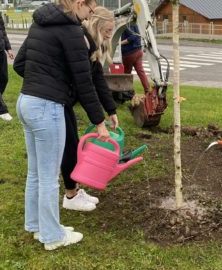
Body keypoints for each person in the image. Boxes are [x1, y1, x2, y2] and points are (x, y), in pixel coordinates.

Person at [13, 0, 110, 250]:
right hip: (46, 107)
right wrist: (99, 121)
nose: (87, 16)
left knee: (35, 173)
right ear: (79, 4)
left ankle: (36, 225)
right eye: (89, 10)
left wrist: (43, 79)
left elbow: (19, 63)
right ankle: (53, 236)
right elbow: (84, 83)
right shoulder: (71, 32)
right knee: (48, 178)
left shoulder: (39, 23)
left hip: (26, 101)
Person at [61, 6, 118, 211]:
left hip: (63, 100)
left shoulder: (93, 46)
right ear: (97, 25)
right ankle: (70, 195)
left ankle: (74, 190)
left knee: (72, 143)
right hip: (56, 100)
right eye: (108, 30)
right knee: (69, 147)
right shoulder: (81, 42)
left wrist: (111, 109)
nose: (110, 34)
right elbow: (86, 86)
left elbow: (97, 80)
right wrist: (99, 122)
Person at [0, 1, 14, 121]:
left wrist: (8, 48)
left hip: (0, 49)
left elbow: (2, 30)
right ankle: (2, 111)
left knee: (4, 78)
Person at [120, 21, 150, 93]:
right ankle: (147, 91)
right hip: (138, 51)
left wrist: (119, 43)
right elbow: (137, 35)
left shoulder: (126, 24)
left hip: (129, 53)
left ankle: (127, 92)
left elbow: (133, 36)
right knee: (140, 71)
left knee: (127, 73)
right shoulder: (134, 23)